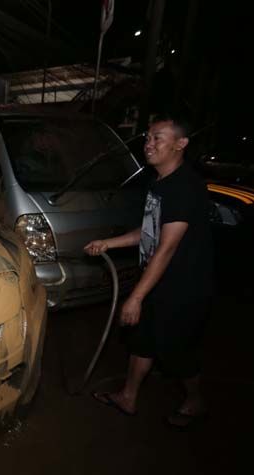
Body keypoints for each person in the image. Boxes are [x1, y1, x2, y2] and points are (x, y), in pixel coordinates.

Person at [84, 114, 215, 428]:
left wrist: (136, 297)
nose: (148, 143)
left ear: (181, 144)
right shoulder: (160, 182)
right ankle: (128, 397)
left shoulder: (184, 186)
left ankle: (196, 401)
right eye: (148, 137)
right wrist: (108, 243)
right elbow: (149, 232)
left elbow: (167, 248)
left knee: (176, 350)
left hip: (184, 286)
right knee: (141, 340)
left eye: (158, 137)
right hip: (159, 280)